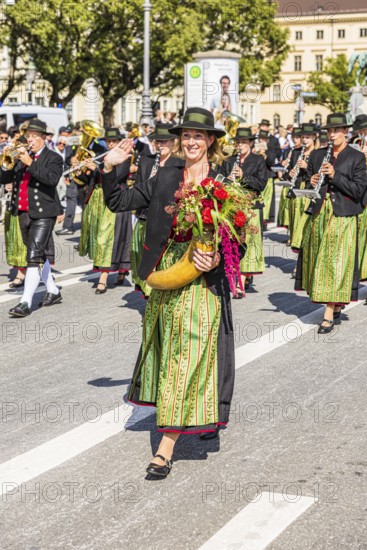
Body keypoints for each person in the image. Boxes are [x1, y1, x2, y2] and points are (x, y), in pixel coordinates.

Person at [101, 107, 238, 478]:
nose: (191, 142)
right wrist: (113, 167)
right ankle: (198, 416)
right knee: (167, 349)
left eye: (199, 136)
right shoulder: (166, 175)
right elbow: (119, 203)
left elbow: (239, 238)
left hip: (203, 278)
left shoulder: (224, 181)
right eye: (186, 136)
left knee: (188, 352)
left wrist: (218, 259)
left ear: (211, 140)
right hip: (165, 271)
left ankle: (165, 447)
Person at [295, 113, 367, 334]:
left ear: (346, 132)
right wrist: (313, 180)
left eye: (336, 130)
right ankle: (334, 304)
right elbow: (311, 183)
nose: (332, 134)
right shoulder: (318, 155)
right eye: (329, 130)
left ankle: (327, 314)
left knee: (334, 262)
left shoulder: (356, 158)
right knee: (319, 260)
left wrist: (334, 175)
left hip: (343, 216)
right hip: (320, 213)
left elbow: (357, 191)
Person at [0, 119, 64, 317]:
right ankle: (52, 290)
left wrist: (30, 162)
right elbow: (5, 181)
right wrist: (6, 165)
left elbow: (51, 179)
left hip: (44, 214)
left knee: (33, 256)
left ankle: (25, 302)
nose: (31, 140)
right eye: (28, 136)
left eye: (35, 137)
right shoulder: (19, 157)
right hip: (23, 213)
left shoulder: (54, 157)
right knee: (37, 255)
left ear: (44, 138)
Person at [130, 124, 185, 298]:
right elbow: (139, 188)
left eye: (164, 141)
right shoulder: (146, 160)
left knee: (161, 261)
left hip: (165, 221)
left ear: (173, 142)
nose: (160, 144)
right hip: (145, 217)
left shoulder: (179, 164)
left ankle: (158, 294)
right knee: (142, 258)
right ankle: (148, 294)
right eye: (157, 141)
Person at [223, 127, 267, 294]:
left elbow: (261, 184)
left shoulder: (258, 161)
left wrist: (243, 176)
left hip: (251, 206)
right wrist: (228, 180)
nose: (240, 145)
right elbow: (220, 180)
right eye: (238, 142)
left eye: (243, 142)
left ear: (250, 143)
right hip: (233, 206)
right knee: (234, 240)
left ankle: (241, 280)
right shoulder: (228, 161)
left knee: (249, 240)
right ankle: (239, 275)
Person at [91, 128, 134, 293]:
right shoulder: (103, 155)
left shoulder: (124, 159)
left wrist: (99, 167)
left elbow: (119, 176)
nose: (110, 144)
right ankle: (122, 270)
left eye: (114, 141)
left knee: (110, 239)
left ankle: (103, 278)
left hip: (118, 200)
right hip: (103, 201)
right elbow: (91, 181)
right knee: (112, 237)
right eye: (108, 141)